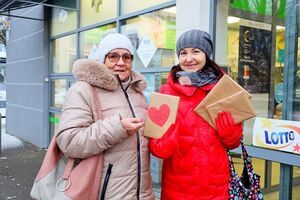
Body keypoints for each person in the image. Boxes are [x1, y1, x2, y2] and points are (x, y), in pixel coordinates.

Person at [56, 33, 154, 200]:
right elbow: (69, 142)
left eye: (126, 57)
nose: (121, 62)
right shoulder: (83, 90)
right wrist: (118, 128)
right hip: (104, 192)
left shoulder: (137, 92)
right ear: (102, 59)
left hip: (142, 193)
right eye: (113, 56)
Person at [149, 29, 243, 199]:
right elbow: (157, 150)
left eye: (196, 51)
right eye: (183, 53)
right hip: (178, 187)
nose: (189, 58)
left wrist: (229, 132)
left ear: (206, 54)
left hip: (216, 184)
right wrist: (166, 140)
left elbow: (233, 143)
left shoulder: (224, 89)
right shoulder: (166, 92)